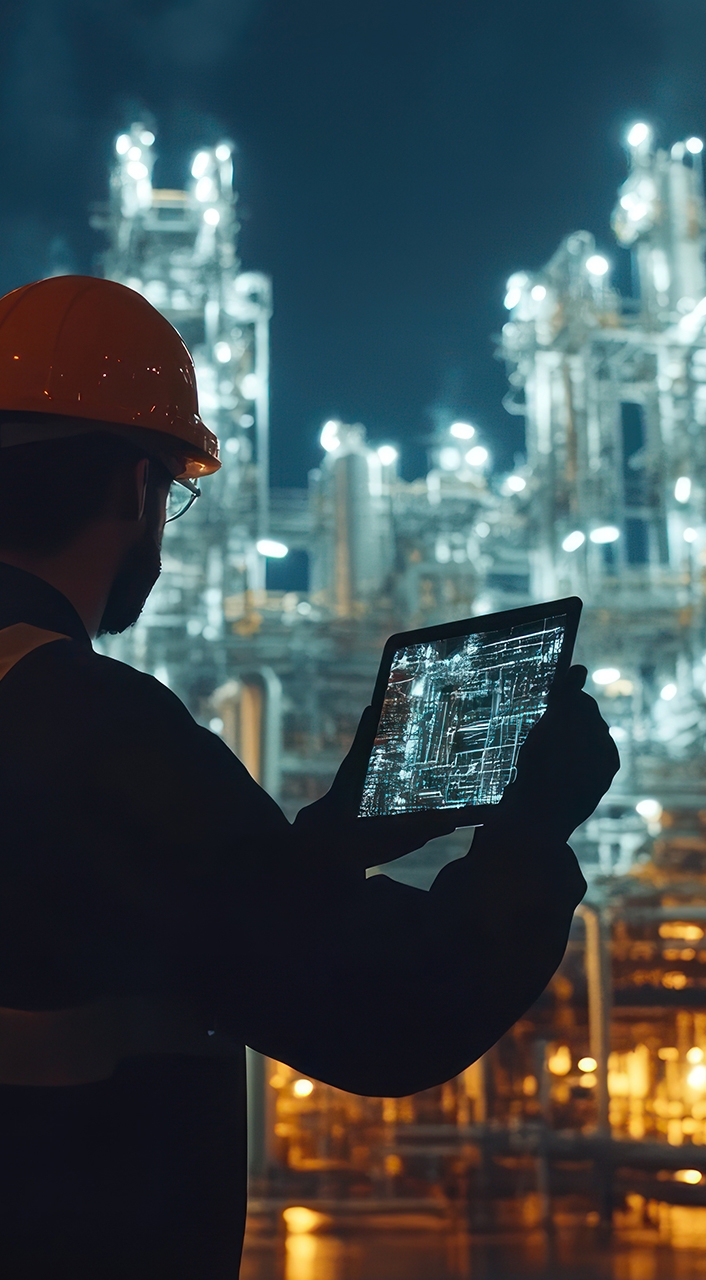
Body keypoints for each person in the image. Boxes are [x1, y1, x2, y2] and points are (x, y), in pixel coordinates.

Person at [0, 275, 619, 1278]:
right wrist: (533, 830)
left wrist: (331, 839)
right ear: (137, 487)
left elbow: (142, 912)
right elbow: (390, 1010)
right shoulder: (84, 723)